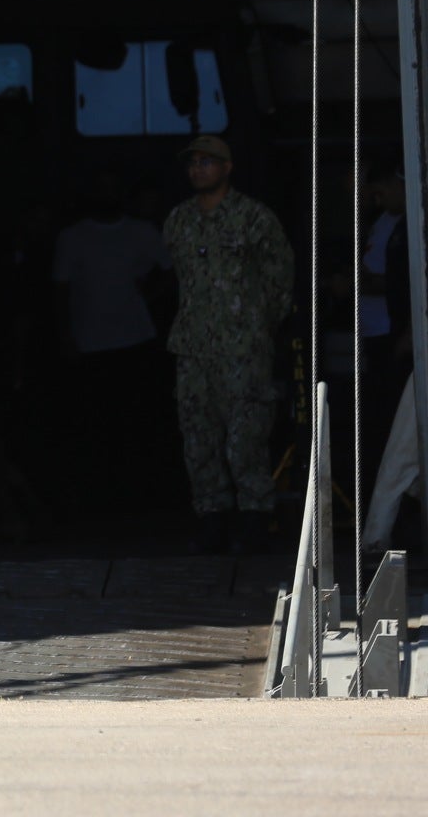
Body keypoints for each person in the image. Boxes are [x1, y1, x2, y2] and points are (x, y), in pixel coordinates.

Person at [162, 135, 295, 554]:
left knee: (245, 435)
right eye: (193, 163)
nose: (198, 169)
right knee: (198, 435)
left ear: (227, 167)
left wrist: (255, 328)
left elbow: (280, 280)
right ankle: (212, 520)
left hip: (243, 349)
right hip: (192, 347)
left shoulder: (254, 218)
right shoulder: (179, 221)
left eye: (208, 162)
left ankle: (254, 519)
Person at [51, 167, 176, 507]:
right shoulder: (72, 237)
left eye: (112, 187)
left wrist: (148, 295)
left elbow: (172, 270)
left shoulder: (141, 232)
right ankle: (99, 499)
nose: (107, 194)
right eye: (100, 187)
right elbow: (60, 290)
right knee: (95, 425)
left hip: (135, 339)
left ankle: (139, 495)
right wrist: (66, 337)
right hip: (90, 344)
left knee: (137, 421)